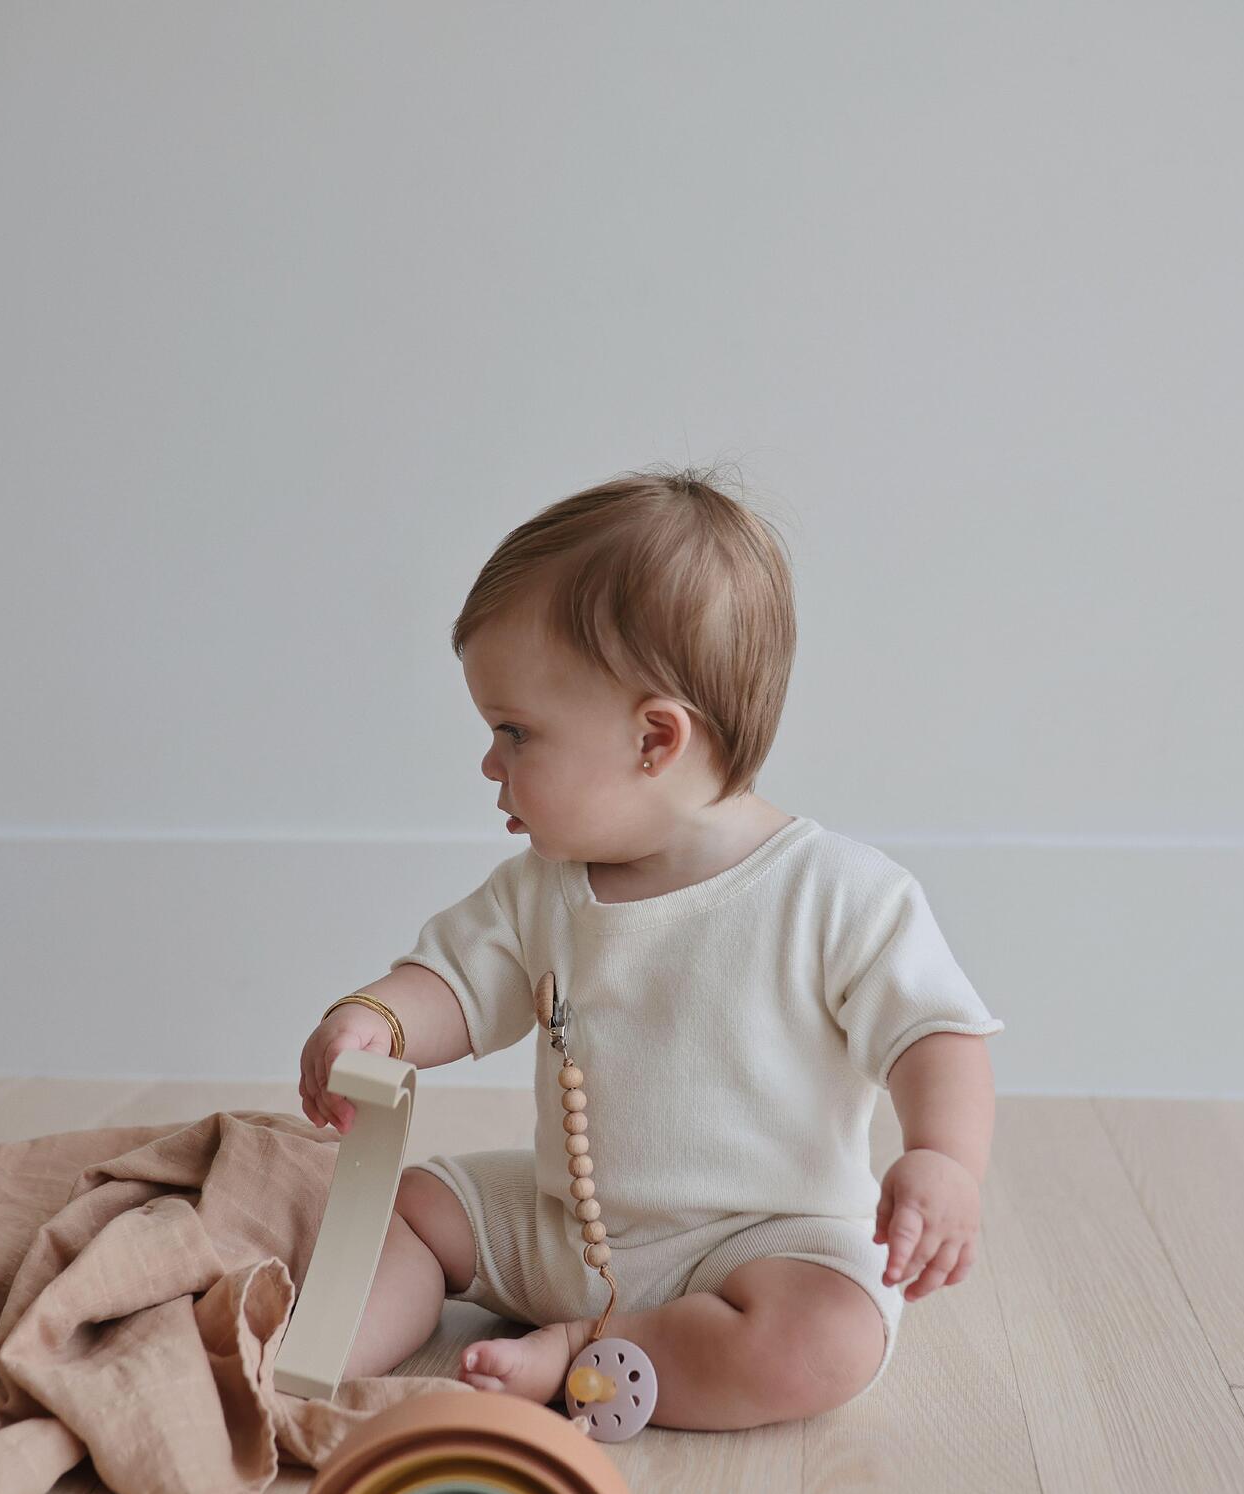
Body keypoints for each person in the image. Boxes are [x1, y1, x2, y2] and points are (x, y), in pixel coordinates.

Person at [298, 466, 1003, 1432]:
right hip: (563, 1225)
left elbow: (936, 1035)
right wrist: (374, 1021)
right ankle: (305, 1365)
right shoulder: (544, 887)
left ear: (655, 740)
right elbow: (453, 984)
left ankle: (585, 1352)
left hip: (757, 1245)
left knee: (831, 1335)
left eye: (515, 732)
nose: (489, 762)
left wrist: (944, 1160)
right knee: (414, 1205)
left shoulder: (837, 893)